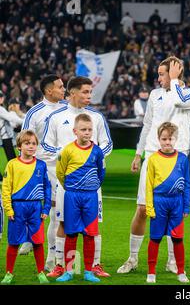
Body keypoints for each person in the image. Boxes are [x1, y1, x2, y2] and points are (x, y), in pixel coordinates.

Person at [117, 56, 190, 275]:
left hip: (178, 157)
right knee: (142, 209)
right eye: (160, 74)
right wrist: (137, 153)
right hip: (153, 155)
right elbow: (147, 125)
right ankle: (133, 258)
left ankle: (172, 261)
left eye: (162, 73)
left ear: (174, 72)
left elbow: (180, 100)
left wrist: (174, 80)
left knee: (175, 211)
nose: (158, 77)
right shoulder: (154, 94)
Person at [42, 76, 113, 278]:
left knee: (93, 226)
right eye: (85, 92)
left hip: (91, 184)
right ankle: (62, 266)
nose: (89, 96)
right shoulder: (56, 117)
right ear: (72, 92)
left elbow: (108, 144)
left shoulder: (97, 117)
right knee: (63, 224)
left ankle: (95, 265)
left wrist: (91, 154)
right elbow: (46, 145)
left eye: (90, 92)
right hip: (67, 184)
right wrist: (65, 153)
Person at [18, 74, 66, 269]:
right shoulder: (35, 112)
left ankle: (50, 258)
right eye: (61, 87)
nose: (64, 90)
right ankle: (31, 238)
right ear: (49, 91)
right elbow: (23, 139)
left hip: (62, 168)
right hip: (41, 167)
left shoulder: (67, 110)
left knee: (56, 211)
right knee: (36, 206)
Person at [55, 114, 106, 283]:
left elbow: (101, 173)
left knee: (90, 234)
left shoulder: (97, 151)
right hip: (72, 196)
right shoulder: (68, 150)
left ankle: (88, 271)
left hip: (90, 196)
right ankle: (69, 271)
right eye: (83, 130)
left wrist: (91, 187)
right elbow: (60, 173)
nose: (87, 133)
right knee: (71, 234)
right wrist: (70, 188)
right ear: (75, 131)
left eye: (90, 129)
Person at [1, 130, 51, 284]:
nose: (31, 146)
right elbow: (6, 189)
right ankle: (9, 273)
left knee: (37, 242)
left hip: (35, 208)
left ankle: (41, 272)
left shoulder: (41, 165)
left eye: (34, 143)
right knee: (14, 242)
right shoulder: (12, 164)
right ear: (19, 146)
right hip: (17, 208)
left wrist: (46, 208)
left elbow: (47, 187)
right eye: (27, 143)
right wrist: (9, 209)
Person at [145, 122, 190, 284]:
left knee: (178, 239)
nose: (167, 142)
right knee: (155, 238)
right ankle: (151, 272)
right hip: (159, 202)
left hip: (176, 203)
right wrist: (149, 207)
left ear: (175, 139)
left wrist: (186, 206)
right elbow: (148, 185)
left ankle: (181, 271)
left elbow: (186, 184)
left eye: (170, 139)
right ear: (159, 139)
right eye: (164, 139)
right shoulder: (153, 159)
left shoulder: (183, 159)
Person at [0, 91, 23, 167]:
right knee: (11, 158)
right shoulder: (1, 109)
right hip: (5, 137)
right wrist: (25, 122)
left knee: (11, 158)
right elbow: (11, 119)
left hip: (5, 137)